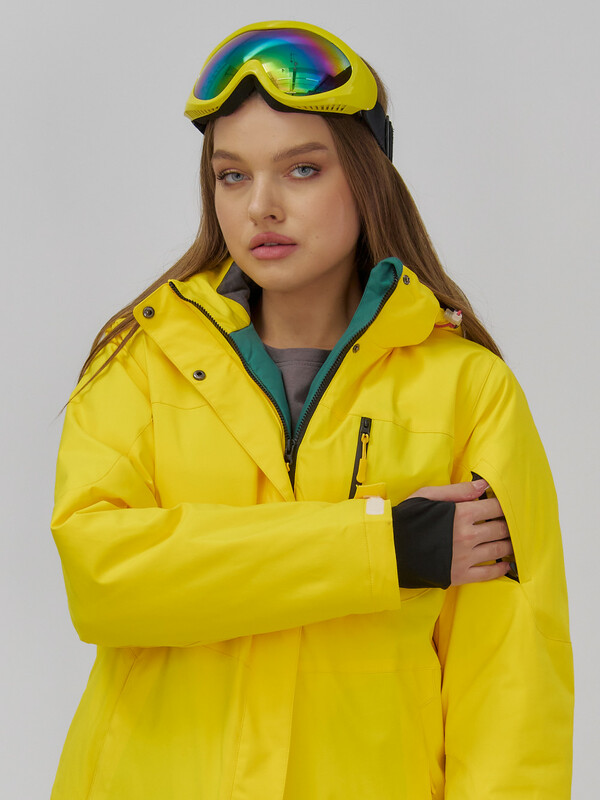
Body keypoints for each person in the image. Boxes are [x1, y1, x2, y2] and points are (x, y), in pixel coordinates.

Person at [50, 20, 573, 799]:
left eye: (302, 169)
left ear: (366, 177)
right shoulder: (138, 366)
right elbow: (106, 582)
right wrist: (381, 549)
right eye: (232, 176)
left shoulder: (468, 391)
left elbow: (509, 685)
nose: (261, 206)